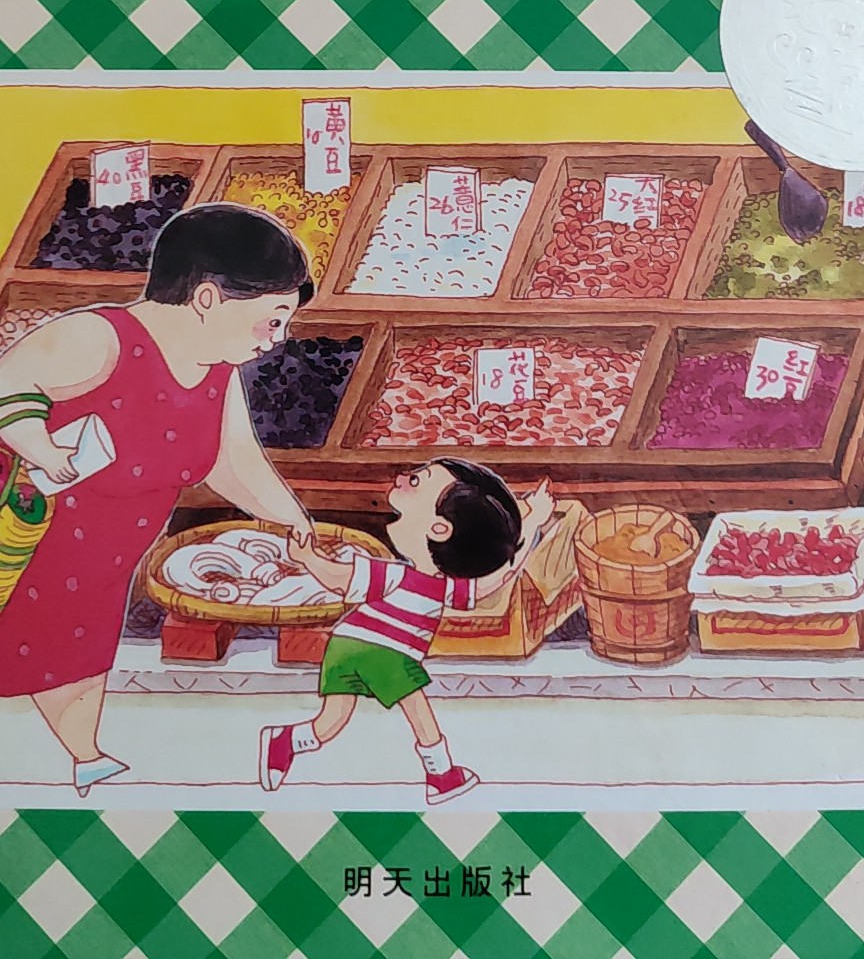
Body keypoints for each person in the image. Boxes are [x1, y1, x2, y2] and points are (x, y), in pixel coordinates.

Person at [0, 201, 315, 795]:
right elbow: (8, 384)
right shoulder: (99, 338)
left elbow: (232, 460)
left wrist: (291, 518)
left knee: (81, 648)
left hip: (102, 560)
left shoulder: (216, 368)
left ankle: (86, 758)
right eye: (271, 321)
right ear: (207, 298)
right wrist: (38, 445)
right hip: (23, 538)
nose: (277, 341)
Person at [259, 460, 556, 804]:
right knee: (418, 710)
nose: (400, 478)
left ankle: (284, 742)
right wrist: (308, 558)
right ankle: (441, 776)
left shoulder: (428, 584)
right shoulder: (397, 576)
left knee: (331, 722)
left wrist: (531, 523)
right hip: (380, 649)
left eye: (416, 481)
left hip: (349, 648)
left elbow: (497, 577)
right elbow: (341, 579)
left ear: (439, 529)